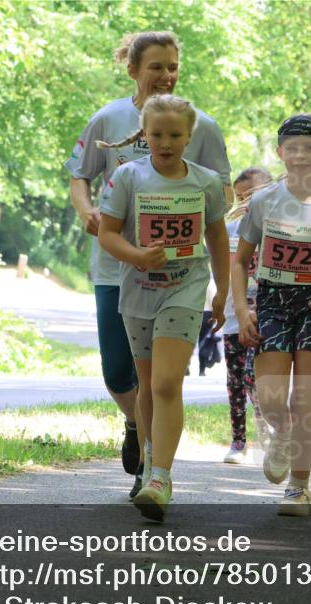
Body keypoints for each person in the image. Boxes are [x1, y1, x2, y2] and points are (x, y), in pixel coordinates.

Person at [66, 31, 231, 499]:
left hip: (180, 275)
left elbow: (221, 194)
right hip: (116, 267)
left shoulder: (197, 124)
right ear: (133, 70)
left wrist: (202, 237)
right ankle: (137, 423)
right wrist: (88, 212)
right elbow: (80, 177)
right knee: (119, 373)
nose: (166, 75)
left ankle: (157, 471)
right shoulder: (109, 119)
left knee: (163, 380)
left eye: (173, 66)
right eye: (157, 66)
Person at [97, 94, 230, 521]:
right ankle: (150, 456)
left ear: (190, 136)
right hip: (138, 290)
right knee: (148, 380)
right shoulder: (127, 178)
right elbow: (107, 234)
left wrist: (223, 290)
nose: (166, 142)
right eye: (157, 134)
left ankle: (161, 478)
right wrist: (137, 256)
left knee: (169, 381)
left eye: (175, 135)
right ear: (144, 135)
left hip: (186, 289)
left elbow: (218, 238)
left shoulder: (206, 182)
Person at [232, 115, 311, 516]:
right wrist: (242, 309)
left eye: (310, 148)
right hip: (272, 303)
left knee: (305, 401)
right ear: (280, 152)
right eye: (292, 147)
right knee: (272, 396)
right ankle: (279, 432)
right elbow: (241, 260)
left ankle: (299, 487)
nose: (300, 155)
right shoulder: (264, 200)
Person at [222, 167, 273, 464]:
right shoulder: (231, 229)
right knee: (236, 379)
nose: (245, 201)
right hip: (234, 314)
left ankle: (267, 430)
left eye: (251, 194)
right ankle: (238, 441)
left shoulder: (279, 226)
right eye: (240, 196)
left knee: (257, 376)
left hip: (267, 313)